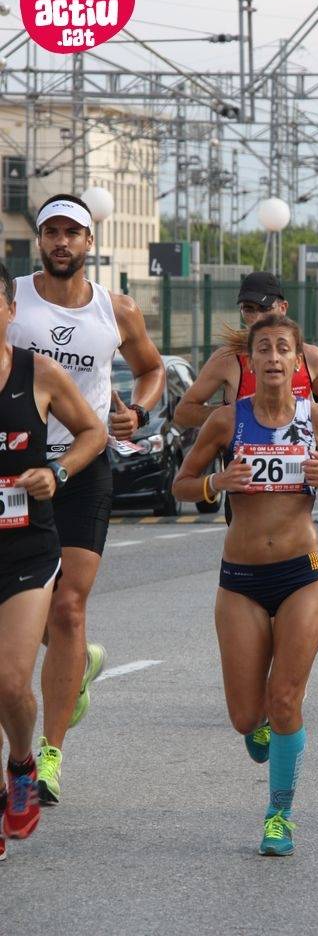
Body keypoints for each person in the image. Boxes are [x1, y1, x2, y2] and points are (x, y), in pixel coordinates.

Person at [8, 193, 165, 806]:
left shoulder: (115, 309)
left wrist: (140, 411)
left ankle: (50, 756)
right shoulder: (13, 299)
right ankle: (77, 663)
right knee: (37, 609)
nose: (61, 242)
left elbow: (151, 370)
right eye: (51, 232)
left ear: (89, 241)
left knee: (68, 608)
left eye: (72, 232)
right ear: (39, 240)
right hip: (17, 468)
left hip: (84, 462)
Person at [173, 313, 318, 856]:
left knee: (286, 699)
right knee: (246, 716)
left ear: (299, 361)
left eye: (282, 348)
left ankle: (279, 816)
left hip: (302, 574)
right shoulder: (227, 421)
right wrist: (216, 482)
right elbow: (180, 484)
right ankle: (261, 727)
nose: (273, 357)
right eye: (264, 348)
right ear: (250, 361)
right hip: (242, 580)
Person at [0, 262, 106, 858]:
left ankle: (22, 761)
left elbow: (92, 433)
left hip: (25, 547)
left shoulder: (37, 372)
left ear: (10, 310)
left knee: (9, 682)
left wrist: (57, 472)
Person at [173, 271, 318, 430]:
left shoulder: (311, 356)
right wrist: (235, 415)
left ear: (283, 308)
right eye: (249, 309)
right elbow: (182, 413)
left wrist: (307, 421)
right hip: (242, 452)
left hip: (299, 451)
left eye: (265, 308)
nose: (258, 318)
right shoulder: (227, 358)